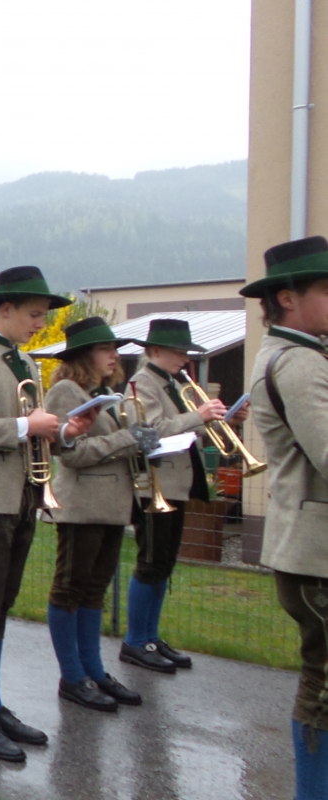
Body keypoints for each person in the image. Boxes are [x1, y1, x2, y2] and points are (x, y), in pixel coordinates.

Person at [0, 266, 95, 762]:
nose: (39, 323)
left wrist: (62, 433)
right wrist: (27, 425)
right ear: (4, 309)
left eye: (42, 315)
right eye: (33, 314)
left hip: (20, 496)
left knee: (2, 603)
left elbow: (33, 429)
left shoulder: (23, 360)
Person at [242, 235, 328, 799]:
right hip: (316, 552)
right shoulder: (298, 364)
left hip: (310, 546)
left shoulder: (301, 355)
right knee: (322, 688)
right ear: (289, 298)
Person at [120, 318, 241, 673]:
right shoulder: (142, 384)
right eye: (177, 352)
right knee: (150, 563)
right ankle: (135, 641)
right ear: (154, 351)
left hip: (176, 484)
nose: (184, 359)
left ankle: (150, 635)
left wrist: (226, 419)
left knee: (165, 563)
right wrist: (197, 416)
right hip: (155, 484)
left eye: (185, 352)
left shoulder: (171, 384)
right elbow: (149, 432)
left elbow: (186, 431)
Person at [42, 317, 147, 712]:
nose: (114, 356)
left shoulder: (103, 393)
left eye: (114, 349)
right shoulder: (66, 391)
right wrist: (126, 440)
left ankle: (94, 671)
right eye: (105, 349)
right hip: (81, 507)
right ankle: (72, 676)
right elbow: (69, 453)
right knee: (69, 590)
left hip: (111, 506)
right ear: (84, 355)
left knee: (94, 591)